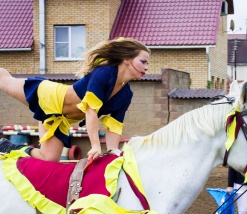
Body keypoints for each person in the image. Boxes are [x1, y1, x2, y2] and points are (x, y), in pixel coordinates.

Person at [0, 37, 150, 161]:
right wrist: (95, 146)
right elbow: (90, 111)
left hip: (60, 120)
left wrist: (113, 153)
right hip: (48, 96)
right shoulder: (104, 73)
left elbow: (114, 127)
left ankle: (8, 147)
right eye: (143, 61)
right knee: (5, 80)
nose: (147, 67)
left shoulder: (126, 95)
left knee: (49, 159)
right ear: (126, 59)